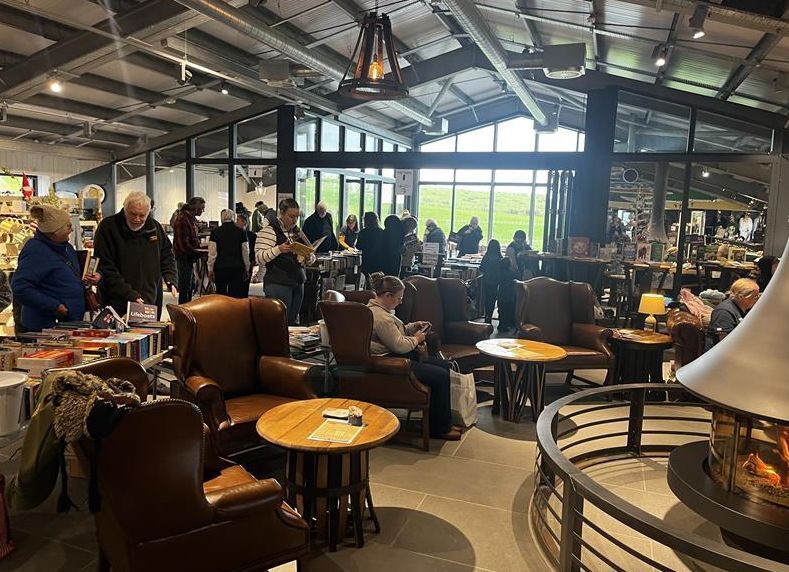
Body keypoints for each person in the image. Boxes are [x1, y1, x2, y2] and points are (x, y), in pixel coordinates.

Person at [367, 273, 462, 441]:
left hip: (393, 356)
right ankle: (439, 428)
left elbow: (395, 333)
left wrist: (412, 327)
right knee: (440, 375)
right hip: (390, 360)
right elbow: (398, 345)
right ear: (388, 295)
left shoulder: (381, 311)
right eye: (398, 298)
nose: (400, 302)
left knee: (443, 366)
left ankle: (441, 421)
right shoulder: (381, 317)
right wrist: (417, 338)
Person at [12, 205, 100, 331]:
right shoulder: (35, 251)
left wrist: (87, 278)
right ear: (55, 232)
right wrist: (55, 307)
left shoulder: (66, 247)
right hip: (46, 327)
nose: (71, 230)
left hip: (69, 323)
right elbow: (20, 287)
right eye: (68, 226)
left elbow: (68, 275)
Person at [94, 191, 178, 317]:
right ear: (125, 209)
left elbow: (166, 255)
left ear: (148, 212)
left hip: (150, 298)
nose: (137, 219)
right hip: (117, 300)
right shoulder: (108, 227)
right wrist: (129, 294)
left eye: (142, 215)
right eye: (133, 214)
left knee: (150, 329)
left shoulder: (154, 227)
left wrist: (170, 278)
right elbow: (105, 266)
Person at [256, 198, 314, 325]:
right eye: (291, 216)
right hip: (278, 283)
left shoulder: (297, 231)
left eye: (297, 217)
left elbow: (310, 252)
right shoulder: (269, 231)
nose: (294, 220)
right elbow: (259, 257)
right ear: (281, 213)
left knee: (290, 324)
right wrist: (279, 249)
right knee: (278, 324)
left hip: (298, 282)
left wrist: (308, 257)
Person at [705, 278, 760, 351]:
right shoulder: (724, 312)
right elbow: (724, 343)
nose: (757, 299)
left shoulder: (745, 309)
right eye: (755, 296)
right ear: (741, 297)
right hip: (721, 355)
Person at [208, 209, 250, 299]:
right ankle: (233, 308)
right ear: (233, 218)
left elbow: (212, 253)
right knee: (235, 294)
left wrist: (210, 269)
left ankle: (222, 308)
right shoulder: (241, 232)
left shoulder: (215, 232)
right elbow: (245, 251)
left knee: (221, 294)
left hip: (220, 267)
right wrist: (247, 267)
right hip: (237, 267)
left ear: (221, 218)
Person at [173, 196, 205, 304]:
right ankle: (183, 309)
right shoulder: (183, 219)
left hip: (189, 258)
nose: (203, 211)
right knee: (185, 286)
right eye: (202, 208)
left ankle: (188, 308)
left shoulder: (190, 219)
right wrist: (199, 252)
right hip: (184, 258)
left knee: (190, 285)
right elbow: (183, 245)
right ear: (195, 208)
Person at [498, 230, 530, 331]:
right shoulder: (511, 248)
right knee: (512, 300)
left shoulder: (523, 246)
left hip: (517, 275)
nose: (520, 241)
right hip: (514, 277)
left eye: (522, 239)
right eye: (519, 238)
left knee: (515, 299)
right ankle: (509, 321)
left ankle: (511, 321)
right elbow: (513, 264)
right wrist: (517, 274)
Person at [479, 239, 502, 325]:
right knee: (492, 299)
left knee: (487, 299)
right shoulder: (499, 258)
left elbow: (481, 268)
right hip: (495, 281)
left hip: (486, 280)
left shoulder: (486, 257)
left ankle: (487, 316)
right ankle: (490, 315)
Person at [356, 211, 384, 278]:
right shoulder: (381, 232)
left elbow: (358, 246)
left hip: (366, 259)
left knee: (367, 278)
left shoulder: (363, 232)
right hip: (379, 259)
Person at [235, 212, 256, 296]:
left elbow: (253, 249)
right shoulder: (233, 234)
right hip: (237, 263)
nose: (235, 222)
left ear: (244, 222)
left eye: (237, 220)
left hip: (248, 262)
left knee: (245, 285)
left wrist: (253, 260)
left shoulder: (252, 235)